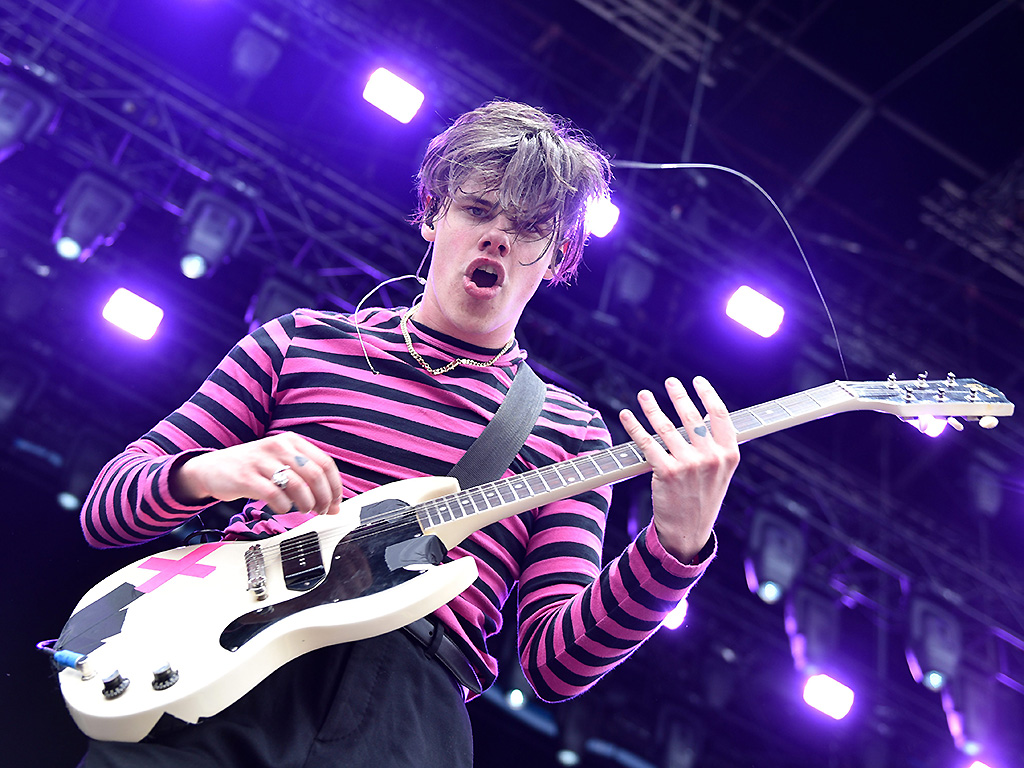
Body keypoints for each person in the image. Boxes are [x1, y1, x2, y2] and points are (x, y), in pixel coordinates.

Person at [76, 100, 740, 767]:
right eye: (477, 210)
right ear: (432, 212)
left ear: (558, 256)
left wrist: (673, 549)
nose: (497, 239)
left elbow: (555, 665)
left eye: (529, 228)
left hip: (403, 710)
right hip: (226, 659)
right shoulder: (301, 340)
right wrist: (209, 471)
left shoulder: (570, 432)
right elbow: (107, 510)